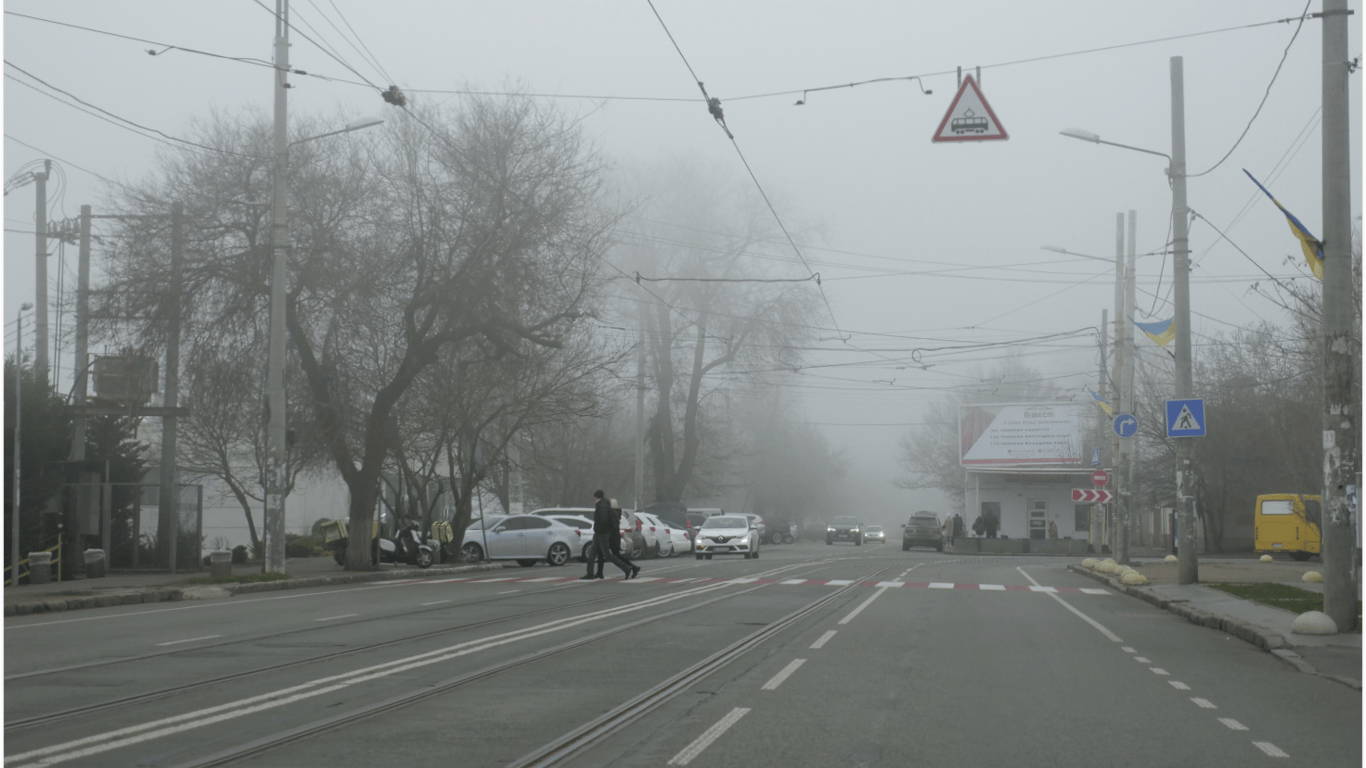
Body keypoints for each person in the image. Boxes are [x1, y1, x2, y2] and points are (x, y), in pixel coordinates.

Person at [581, 490, 637, 580]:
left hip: (601, 534)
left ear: (597, 497)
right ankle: (590, 573)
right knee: (592, 554)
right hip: (601, 533)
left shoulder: (601, 505)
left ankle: (626, 568)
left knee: (607, 555)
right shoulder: (605, 503)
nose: (593, 498)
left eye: (594, 496)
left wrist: (599, 530)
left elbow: (603, 519)